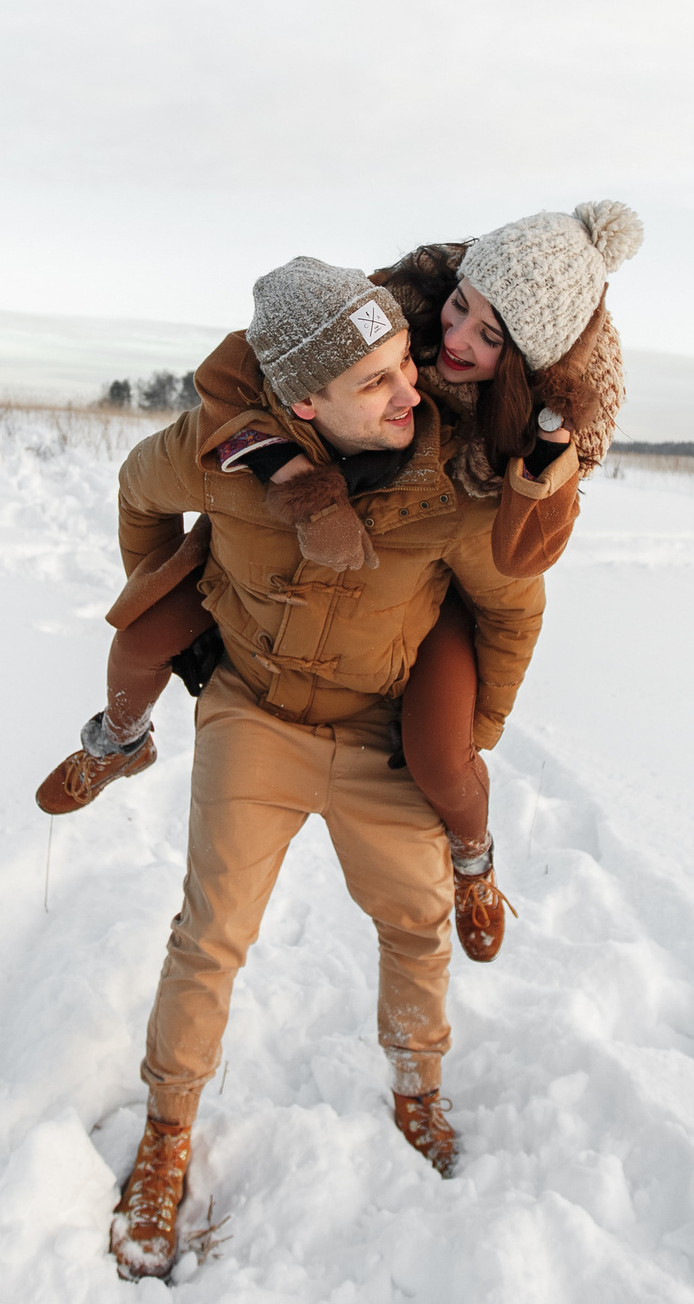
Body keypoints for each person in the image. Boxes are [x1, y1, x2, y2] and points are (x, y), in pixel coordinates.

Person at [94, 254, 549, 1281]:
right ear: (303, 399)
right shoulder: (221, 455)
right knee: (209, 936)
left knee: (415, 920)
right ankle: (167, 1135)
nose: (411, 390)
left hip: (380, 734)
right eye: (377, 382)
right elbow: (137, 490)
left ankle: (415, 1084)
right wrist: (175, 600)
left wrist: (471, 731)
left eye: (405, 363)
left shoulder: (455, 482)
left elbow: (513, 604)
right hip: (253, 718)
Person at [38, 203, 641, 967]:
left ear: (527, 360)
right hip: (300, 556)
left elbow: (520, 584)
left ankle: (473, 856)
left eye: (489, 337)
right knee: (142, 634)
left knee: (440, 759)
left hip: (443, 582)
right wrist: (289, 471)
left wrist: (475, 729)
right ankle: (119, 740)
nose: (454, 340)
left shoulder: (545, 424)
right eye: (460, 307)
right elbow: (245, 374)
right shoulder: (391, 310)